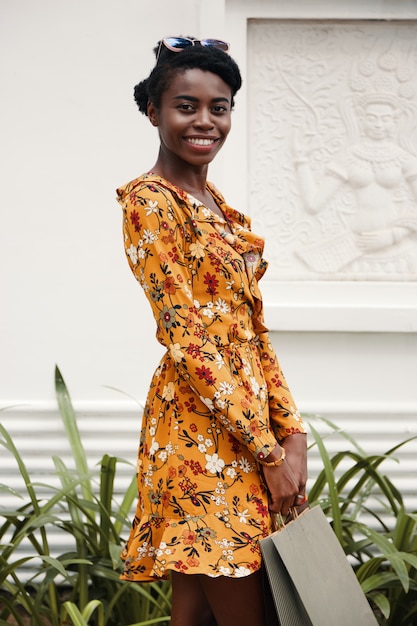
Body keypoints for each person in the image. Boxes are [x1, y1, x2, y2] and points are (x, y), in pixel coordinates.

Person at [116, 36, 308, 626]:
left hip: (246, 427)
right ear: (153, 110)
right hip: (200, 433)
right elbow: (188, 337)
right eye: (186, 105)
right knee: (240, 603)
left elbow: (251, 331)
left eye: (218, 107)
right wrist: (268, 447)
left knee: (198, 608)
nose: (205, 121)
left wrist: (291, 427)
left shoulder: (217, 207)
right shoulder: (151, 202)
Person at [294, 94, 417, 275]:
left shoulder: (405, 159)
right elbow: (314, 204)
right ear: (361, 120)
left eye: (385, 119)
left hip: (398, 249)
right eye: (372, 118)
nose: (378, 124)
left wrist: (395, 235)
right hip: (354, 248)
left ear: (395, 121)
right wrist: (300, 161)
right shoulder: (348, 157)